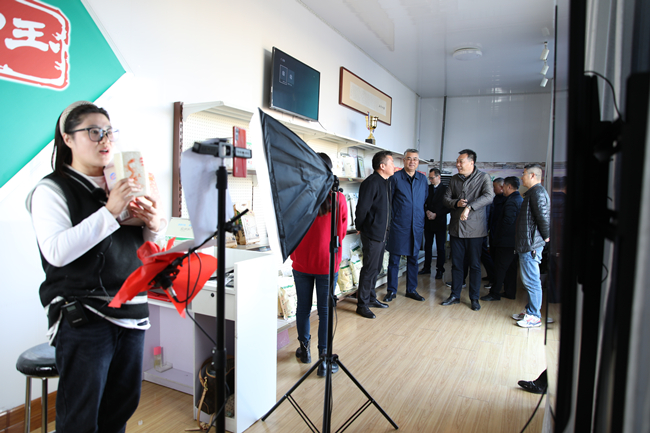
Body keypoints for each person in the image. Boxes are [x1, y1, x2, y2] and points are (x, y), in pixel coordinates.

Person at [26, 101, 165, 433]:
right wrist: (110, 211)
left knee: (120, 410)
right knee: (81, 418)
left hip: (132, 311)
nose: (105, 139)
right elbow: (57, 252)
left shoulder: (123, 181)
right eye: (93, 131)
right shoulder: (51, 189)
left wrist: (154, 224)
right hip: (84, 317)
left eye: (108, 132)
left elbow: (146, 247)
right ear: (67, 139)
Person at [290, 153, 347, 376]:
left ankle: (304, 350)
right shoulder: (338, 198)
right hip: (327, 262)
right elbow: (341, 232)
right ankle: (324, 359)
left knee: (303, 308)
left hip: (302, 260)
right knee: (325, 311)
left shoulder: (299, 194)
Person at [441, 149, 494, 311]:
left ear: (471, 162)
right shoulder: (454, 179)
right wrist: (456, 203)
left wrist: (469, 207)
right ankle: (455, 295)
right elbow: (446, 199)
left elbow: (489, 196)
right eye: (457, 161)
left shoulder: (483, 178)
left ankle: (474, 298)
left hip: (475, 230)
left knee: (475, 266)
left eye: (461, 161)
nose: (457, 164)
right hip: (456, 229)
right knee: (456, 264)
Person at [354, 151, 395, 319]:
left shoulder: (386, 182)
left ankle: (371, 298)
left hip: (382, 233)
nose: (394, 166)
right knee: (369, 269)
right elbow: (362, 208)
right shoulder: (371, 182)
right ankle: (362, 305)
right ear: (382, 166)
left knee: (376, 268)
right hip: (372, 233)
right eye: (392, 163)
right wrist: (359, 226)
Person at [384, 149, 429, 302]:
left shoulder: (422, 179)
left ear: (418, 162)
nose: (412, 162)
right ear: (403, 161)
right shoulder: (395, 178)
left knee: (413, 259)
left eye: (415, 159)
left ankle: (411, 289)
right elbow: (389, 202)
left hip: (416, 226)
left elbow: (424, 199)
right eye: (409, 158)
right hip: (399, 226)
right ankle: (391, 291)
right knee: (394, 260)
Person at [512, 163, 550, 328]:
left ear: (533, 176)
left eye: (524, 174)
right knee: (529, 280)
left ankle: (534, 316)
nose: (522, 177)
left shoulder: (537, 193)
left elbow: (543, 217)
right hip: (527, 243)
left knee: (532, 281)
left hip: (531, 244)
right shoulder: (533, 193)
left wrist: (546, 237)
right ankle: (530, 310)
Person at [481, 176, 523, 301]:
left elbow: (507, 222)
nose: (502, 189)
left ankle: (494, 293)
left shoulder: (511, 201)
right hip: (513, 241)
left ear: (509, 186)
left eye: (503, 186)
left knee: (500, 268)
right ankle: (510, 292)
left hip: (506, 242)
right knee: (511, 268)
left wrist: (498, 237)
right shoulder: (518, 199)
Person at [419, 168, 449, 279]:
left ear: (439, 177)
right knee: (427, 246)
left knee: (440, 247)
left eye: (432, 178)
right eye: (429, 178)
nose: (430, 180)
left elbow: (448, 207)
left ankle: (440, 269)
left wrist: (436, 214)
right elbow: (423, 202)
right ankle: (426, 267)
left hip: (440, 222)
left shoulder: (446, 190)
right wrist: (427, 211)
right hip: (428, 221)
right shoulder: (428, 188)